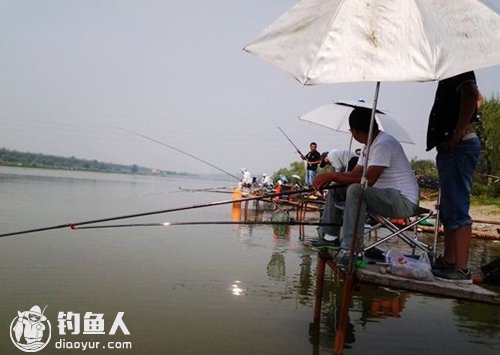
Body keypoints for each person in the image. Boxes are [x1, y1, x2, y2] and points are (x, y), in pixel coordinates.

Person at [312, 107, 419, 265]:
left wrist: (332, 174)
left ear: (354, 131)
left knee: (356, 190)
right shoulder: (367, 146)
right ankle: (330, 236)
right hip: (384, 196)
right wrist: (332, 178)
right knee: (338, 187)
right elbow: (354, 174)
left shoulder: (384, 144)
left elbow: (368, 180)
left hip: (402, 202)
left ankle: (351, 249)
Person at [426, 71, 481, 284]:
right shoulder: (451, 72)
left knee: (457, 207)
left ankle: (461, 268)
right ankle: (449, 261)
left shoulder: (460, 69)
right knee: (449, 208)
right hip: (452, 148)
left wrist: (457, 133)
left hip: (459, 145)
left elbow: (471, 94)